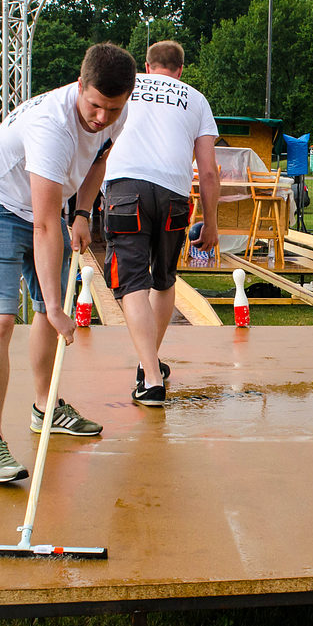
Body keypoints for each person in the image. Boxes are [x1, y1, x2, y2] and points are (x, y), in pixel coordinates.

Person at [0, 42, 137, 483]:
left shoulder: (117, 113)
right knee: (1, 318)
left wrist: (82, 213)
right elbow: (42, 226)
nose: (102, 117)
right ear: (80, 85)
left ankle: (45, 408)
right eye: (95, 105)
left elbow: (98, 161)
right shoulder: (50, 127)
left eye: (113, 109)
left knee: (45, 313)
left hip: (42, 207)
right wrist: (58, 307)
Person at [101, 40, 220, 407]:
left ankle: (151, 379)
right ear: (180, 70)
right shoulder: (196, 99)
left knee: (132, 281)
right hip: (173, 193)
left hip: (125, 187)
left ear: (148, 66)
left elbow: (98, 139)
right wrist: (211, 223)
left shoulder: (126, 85)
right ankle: (147, 364)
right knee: (164, 278)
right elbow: (209, 171)